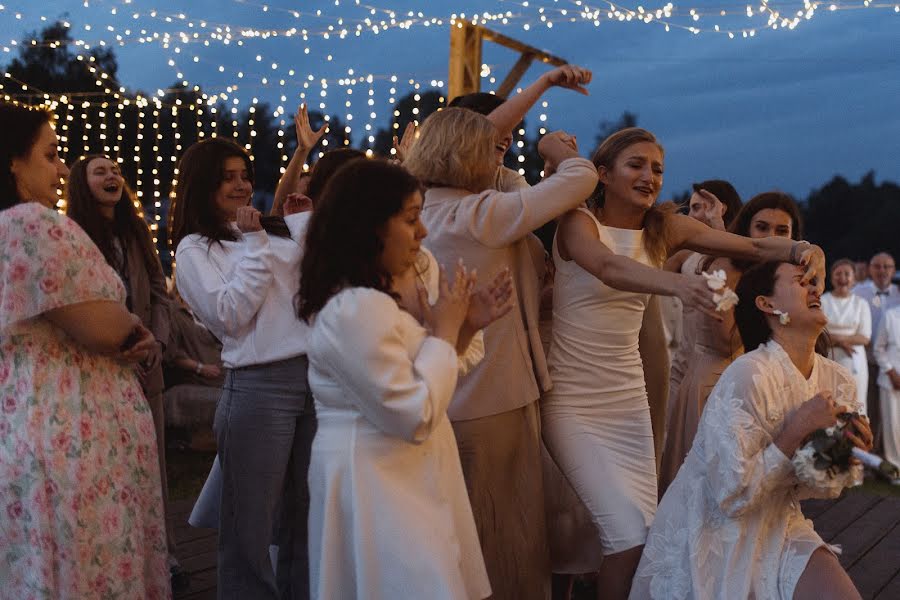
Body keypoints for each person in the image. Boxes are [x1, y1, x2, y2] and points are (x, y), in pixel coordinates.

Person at [541, 127, 824, 598]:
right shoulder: (578, 223)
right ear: (603, 174)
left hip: (628, 401)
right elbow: (609, 268)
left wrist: (801, 250)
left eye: (657, 168)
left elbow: (750, 248)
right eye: (636, 165)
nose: (649, 176)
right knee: (625, 536)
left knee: (645, 538)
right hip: (573, 400)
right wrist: (674, 285)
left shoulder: (665, 228)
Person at [404, 93, 599, 598]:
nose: (502, 153)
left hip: (469, 388)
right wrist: (552, 147)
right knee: (500, 531)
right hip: (490, 392)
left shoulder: (430, 210)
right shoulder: (479, 214)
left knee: (485, 526)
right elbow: (580, 179)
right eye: (492, 146)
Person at [298, 158, 511, 599]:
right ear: (370, 226)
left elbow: (413, 381)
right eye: (412, 219)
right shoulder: (355, 308)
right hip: (380, 484)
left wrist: (466, 327)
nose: (423, 232)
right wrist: (447, 328)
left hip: (400, 475)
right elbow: (413, 414)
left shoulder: (366, 302)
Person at [0, 103, 169, 598]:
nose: (59, 169)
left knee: (38, 566)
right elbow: (108, 331)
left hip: (21, 424)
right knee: (88, 570)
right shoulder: (33, 225)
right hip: (73, 429)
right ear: (13, 161)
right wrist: (133, 329)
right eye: (50, 156)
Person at [630, 260, 872, 600]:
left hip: (780, 523)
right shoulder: (747, 375)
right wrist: (797, 428)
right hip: (712, 533)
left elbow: (821, 489)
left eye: (815, 283)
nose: (816, 288)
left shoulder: (839, 380)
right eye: (802, 282)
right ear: (767, 304)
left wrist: (846, 457)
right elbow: (730, 495)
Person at [171, 137, 316, 599]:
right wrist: (256, 244)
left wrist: (298, 221)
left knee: (305, 517)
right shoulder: (195, 250)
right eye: (228, 177)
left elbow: (308, 287)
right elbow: (231, 315)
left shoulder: (268, 229)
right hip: (259, 388)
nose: (240, 185)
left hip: (313, 377)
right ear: (204, 184)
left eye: (244, 175)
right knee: (248, 527)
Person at [65, 154, 181, 578]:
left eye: (115, 169)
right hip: (103, 367)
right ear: (82, 183)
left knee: (155, 466)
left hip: (148, 362)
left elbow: (158, 289)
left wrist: (159, 342)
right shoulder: (73, 236)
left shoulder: (136, 232)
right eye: (100, 171)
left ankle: (165, 557)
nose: (112, 175)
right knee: (114, 468)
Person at [658, 190, 802, 494]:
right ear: (747, 230)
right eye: (762, 228)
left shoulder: (785, 278)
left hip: (761, 384)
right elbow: (727, 340)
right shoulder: (726, 266)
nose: (772, 238)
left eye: (782, 231)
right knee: (713, 489)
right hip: (717, 383)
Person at [854, 252, 899, 450]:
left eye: (887, 266)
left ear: (893, 269)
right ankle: (868, 454)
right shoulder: (858, 292)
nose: (882, 271)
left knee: (891, 413)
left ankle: (886, 453)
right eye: (877, 266)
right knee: (869, 408)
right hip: (866, 359)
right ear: (870, 269)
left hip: (892, 363)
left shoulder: (898, 293)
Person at [822, 258, 872, 413]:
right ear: (831, 278)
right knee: (831, 402)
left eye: (847, 274)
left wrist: (836, 339)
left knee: (856, 404)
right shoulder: (823, 300)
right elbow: (819, 333)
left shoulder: (861, 303)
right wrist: (843, 342)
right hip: (830, 357)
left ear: (854, 278)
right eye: (838, 274)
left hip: (854, 359)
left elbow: (864, 337)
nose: (842, 278)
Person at [873, 302, 900, 481]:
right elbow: (878, 349)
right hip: (891, 381)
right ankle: (895, 469)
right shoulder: (890, 315)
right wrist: (891, 373)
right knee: (893, 426)